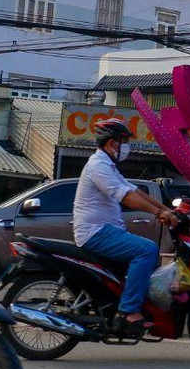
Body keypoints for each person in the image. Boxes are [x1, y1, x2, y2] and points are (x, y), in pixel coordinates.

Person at [71, 118, 178, 331]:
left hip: (105, 230)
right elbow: (126, 197)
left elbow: (135, 191)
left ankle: (124, 303)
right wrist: (158, 212)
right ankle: (128, 311)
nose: (126, 147)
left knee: (142, 253)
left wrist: (167, 210)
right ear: (112, 143)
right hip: (95, 232)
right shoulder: (98, 166)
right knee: (147, 250)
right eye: (124, 141)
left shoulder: (108, 166)